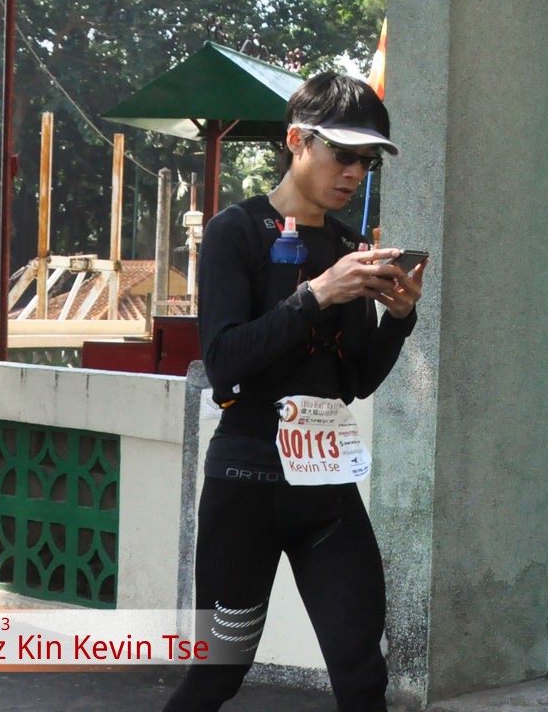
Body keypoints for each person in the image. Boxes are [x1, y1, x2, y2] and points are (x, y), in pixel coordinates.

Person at [164, 72, 425, 712]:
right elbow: (224, 362)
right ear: (296, 141)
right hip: (245, 482)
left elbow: (355, 383)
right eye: (343, 154)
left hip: (326, 487)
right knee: (217, 675)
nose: (354, 173)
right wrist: (317, 294)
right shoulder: (236, 232)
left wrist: (399, 317)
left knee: (362, 677)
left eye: (368, 161)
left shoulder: (346, 248)